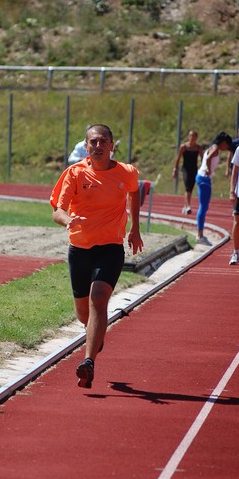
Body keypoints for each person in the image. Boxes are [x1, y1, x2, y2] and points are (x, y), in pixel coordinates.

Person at [50, 124, 143, 389]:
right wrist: (68, 220)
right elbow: (57, 210)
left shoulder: (126, 173)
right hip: (79, 249)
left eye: (103, 142)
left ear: (112, 145)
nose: (98, 146)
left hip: (110, 248)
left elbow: (134, 191)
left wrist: (134, 228)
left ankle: (88, 362)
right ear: (86, 146)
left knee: (98, 298)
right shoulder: (75, 173)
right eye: (93, 142)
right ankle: (95, 334)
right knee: (84, 314)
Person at [195, 131, 233, 246]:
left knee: (203, 206)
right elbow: (208, 159)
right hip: (204, 179)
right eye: (227, 145)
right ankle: (200, 235)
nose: (227, 147)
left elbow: (207, 158)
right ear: (223, 143)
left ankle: (200, 233)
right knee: (203, 207)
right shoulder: (215, 149)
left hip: (201, 177)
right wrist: (208, 170)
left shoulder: (212, 146)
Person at [172, 130, 204, 215]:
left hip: (194, 169)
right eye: (190, 136)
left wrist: (204, 169)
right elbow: (178, 159)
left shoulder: (198, 148)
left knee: (191, 187)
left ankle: (185, 205)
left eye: (194, 136)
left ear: (196, 137)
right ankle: (188, 206)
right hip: (185, 169)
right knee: (188, 187)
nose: (192, 138)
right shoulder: (184, 147)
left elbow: (203, 159)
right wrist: (175, 169)